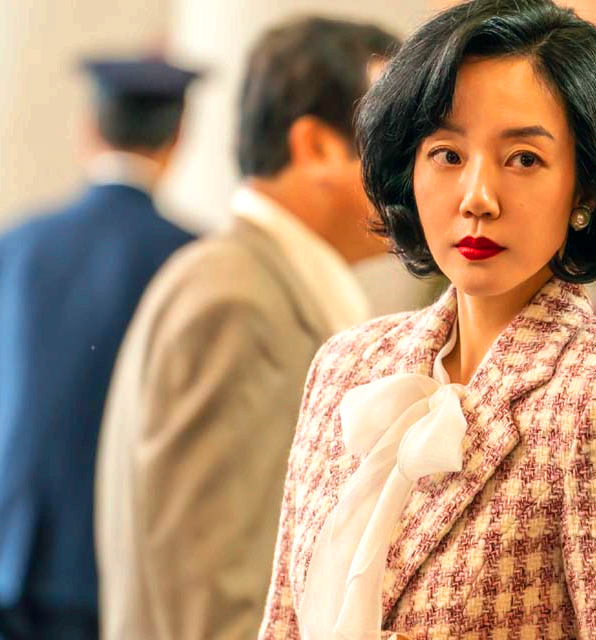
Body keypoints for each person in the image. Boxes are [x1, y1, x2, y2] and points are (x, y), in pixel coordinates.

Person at [260, 1, 596, 638]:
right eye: (447, 154)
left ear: (586, 189)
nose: (477, 198)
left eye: (523, 159)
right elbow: (283, 621)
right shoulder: (346, 367)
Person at [94, 17, 400, 640]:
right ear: (315, 147)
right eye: (392, 137)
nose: (417, 169)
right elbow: (217, 604)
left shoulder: (249, 281)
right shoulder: (236, 302)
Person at [0, 57, 200, 639]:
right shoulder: (193, 262)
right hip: (115, 569)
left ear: (90, 128)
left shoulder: (10, 248)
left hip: (1, 555)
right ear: (178, 137)